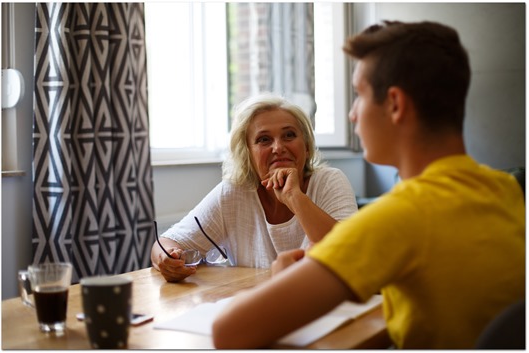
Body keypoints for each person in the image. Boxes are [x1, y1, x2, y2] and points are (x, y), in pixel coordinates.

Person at [212, 20, 525, 349]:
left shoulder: (398, 217)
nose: (352, 115)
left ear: (394, 104)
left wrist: (280, 280)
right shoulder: (505, 190)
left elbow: (228, 331)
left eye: (359, 95)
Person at [151, 93, 357, 282]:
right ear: (247, 153)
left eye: (289, 135)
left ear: (307, 145)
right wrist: (168, 259)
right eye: (264, 139)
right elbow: (167, 242)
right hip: (260, 304)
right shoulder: (233, 193)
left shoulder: (329, 181)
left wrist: (294, 197)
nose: (278, 147)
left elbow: (350, 255)